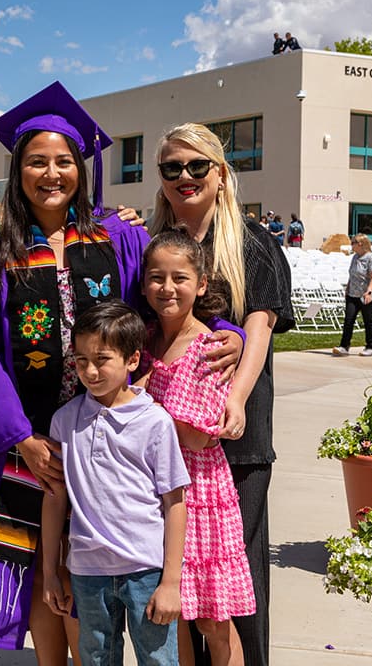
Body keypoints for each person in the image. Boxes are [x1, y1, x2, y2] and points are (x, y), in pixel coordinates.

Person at [0, 82, 170, 661]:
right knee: (35, 572)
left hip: (108, 439)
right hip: (36, 445)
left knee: (98, 568)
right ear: (17, 172)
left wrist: (224, 335)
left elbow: (164, 305)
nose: (51, 174)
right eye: (36, 162)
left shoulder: (118, 237)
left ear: (81, 167)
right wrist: (22, 439)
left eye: (63, 161)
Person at [148, 123, 293, 666]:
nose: (184, 177)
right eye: (171, 168)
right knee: (180, 576)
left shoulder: (251, 242)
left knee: (237, 581)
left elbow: (260, 326)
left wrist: (237, 394)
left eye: (196, 166)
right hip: (171, 441)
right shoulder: (155, 245)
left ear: (220, 173)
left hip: (236, 435)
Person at [40, 300, 189, 666]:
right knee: (95, 659)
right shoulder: (65, 421)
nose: (90, 371)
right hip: (88, 571)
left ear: (132, 360)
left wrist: (171, 582)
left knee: (158, 660)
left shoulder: (155, 423)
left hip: (145, 570)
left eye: (102, 359)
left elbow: (175, 503)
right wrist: (50, 572)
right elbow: (55, 498)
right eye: (81, 360)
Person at [138, 232, 255, 666]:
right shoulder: (145, 339)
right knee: (173, 615)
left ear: (202, 284)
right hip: (155, 492)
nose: (167, 287)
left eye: (179, 278)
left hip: (198, 493)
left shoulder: (212, 348)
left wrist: (142, 404)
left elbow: (199, 435)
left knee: (211, 620)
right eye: (156, 277)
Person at [333, 235, 372, 357]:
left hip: (367, 295)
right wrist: (347, 288)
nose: (351, 244)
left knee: (368, 320)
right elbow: (352, 275)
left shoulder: (370, 257)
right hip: (352, 294)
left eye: (353, 242)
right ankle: (344, 346)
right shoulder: (354, 257)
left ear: (360, 244)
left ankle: (370, 346)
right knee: (349, 320)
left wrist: (369, 291)